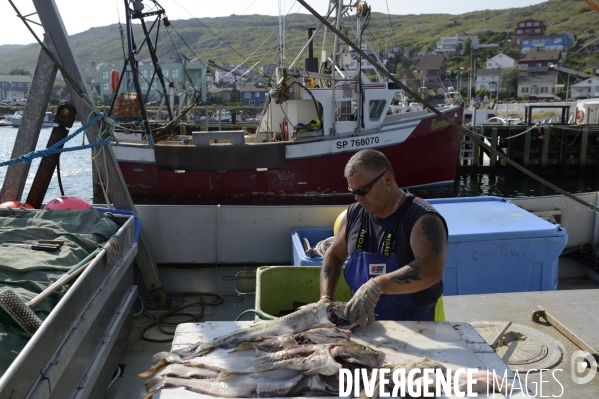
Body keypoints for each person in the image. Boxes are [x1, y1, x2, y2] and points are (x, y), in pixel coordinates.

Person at [318, 149, 448, 326]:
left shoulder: (422, 218)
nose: (358, 198)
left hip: (421, 326)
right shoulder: (355, 214)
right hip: (367, 325)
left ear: (387, 179)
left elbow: (432, 270)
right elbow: (333, 255)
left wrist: (377, 286)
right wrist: (326, 297)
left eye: (363, 190)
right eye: (353, 192)